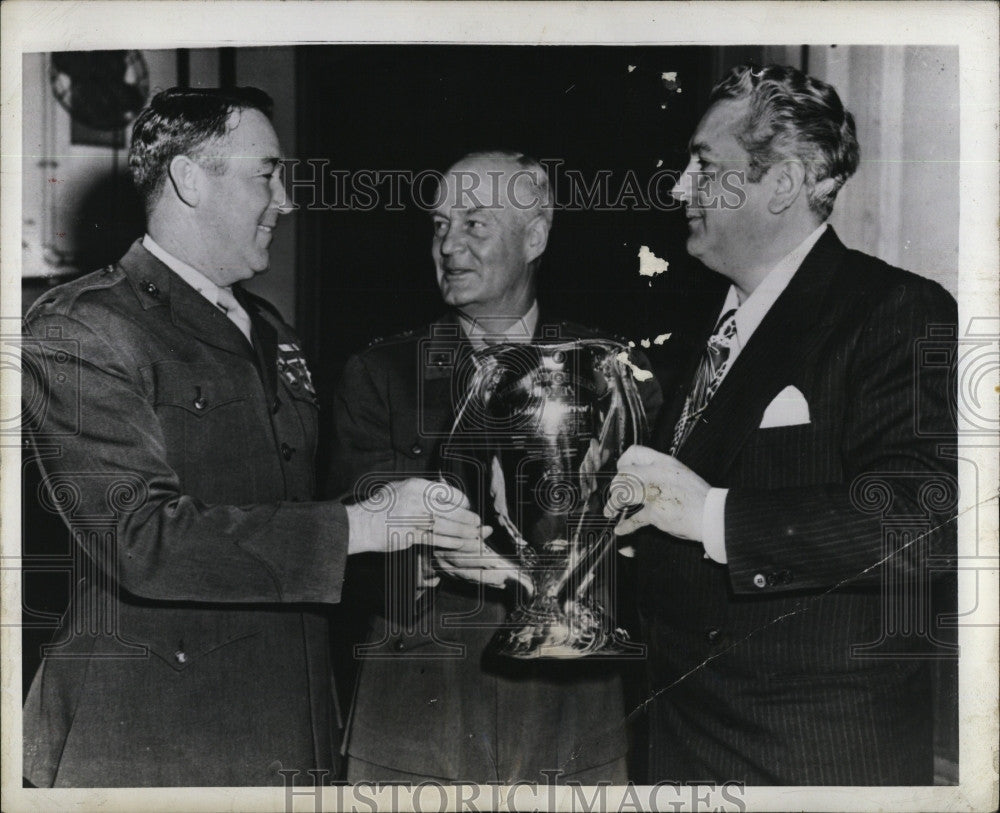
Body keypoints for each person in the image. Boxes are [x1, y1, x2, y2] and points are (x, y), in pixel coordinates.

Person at [20, 87, 487, 787]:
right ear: (187, 179)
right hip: (149, 738)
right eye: (266, 174)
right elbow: (138, 535)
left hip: (286, 726)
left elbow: (283, 523)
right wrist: (359, 527)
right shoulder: (85, 328)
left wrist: (408, 555)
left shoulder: (269, 329)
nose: (288, 199)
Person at [606, 65, 958, 784]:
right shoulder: (708, 326)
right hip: (684, 744)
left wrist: (706, 514)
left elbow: (924, 523)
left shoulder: (894, 310)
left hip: (804, 759)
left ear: (784, 182)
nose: (678, 188)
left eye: (705, 166)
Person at [331, 151, 662, 783]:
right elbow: (341, 554)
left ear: (534, 236)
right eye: (439, 225)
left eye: (475, 224)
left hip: (574, 724)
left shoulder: (614, 373)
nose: (450, 245)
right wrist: (424, 558)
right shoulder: (379, 375)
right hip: (417, 726)